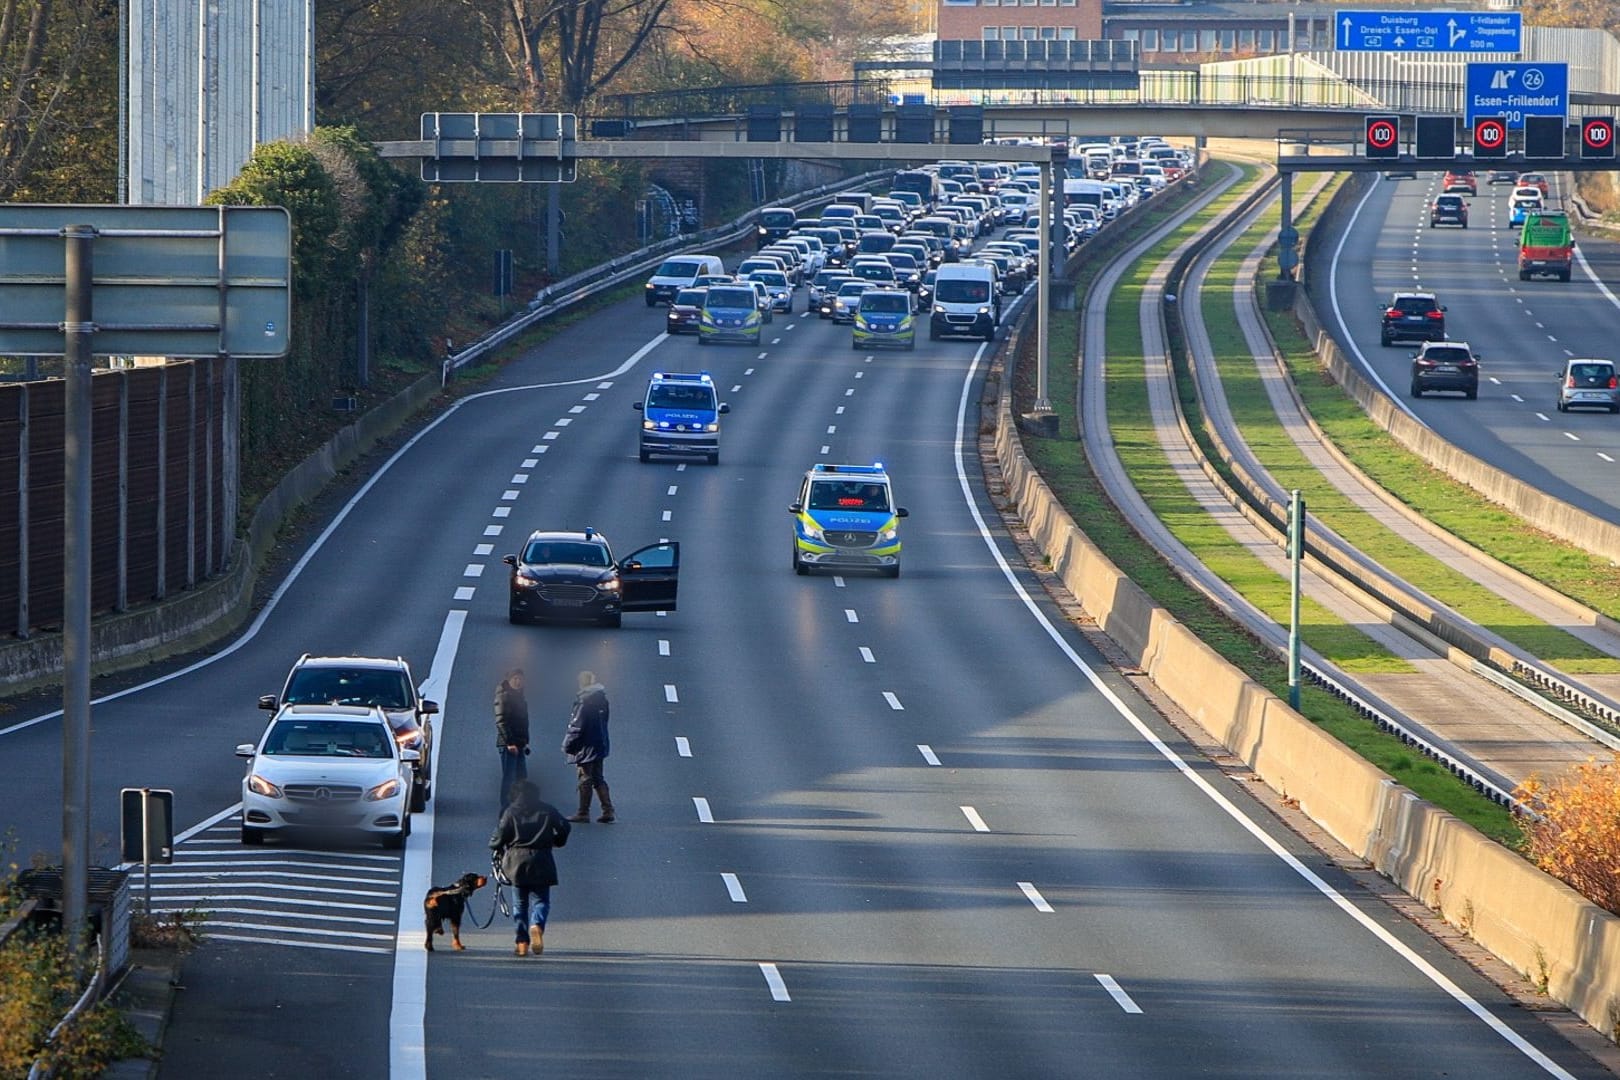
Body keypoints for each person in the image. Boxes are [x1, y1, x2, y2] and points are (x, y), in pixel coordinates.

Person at [489, 780, 569, 957]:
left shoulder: (510, 812)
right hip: (542, 859)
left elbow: (499, 836)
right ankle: (537, 925)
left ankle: (522, 942)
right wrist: (557, 841)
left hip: (516, 862)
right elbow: (565, 826)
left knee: (520, 904)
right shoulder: (547, 810)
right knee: (541, 901)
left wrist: (495, 845)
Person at [562, 670, 613, 823]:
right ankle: (608, 809)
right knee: (598, 777)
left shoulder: (584, 702)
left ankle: (583, 812)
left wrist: (567, 745)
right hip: (600, 743)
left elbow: (577, 726)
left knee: (585, 778)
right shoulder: (602, 699)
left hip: (585, 746)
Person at [494, 669, 530, 811]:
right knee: (509, 778)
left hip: (520, 743)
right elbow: (501, 722)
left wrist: (525, 740)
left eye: (520, 679)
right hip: (509, 744)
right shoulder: (504, 696)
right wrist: (509, 743)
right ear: (509, 680)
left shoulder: (519, 696)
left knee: (522, 776)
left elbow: (523, 721)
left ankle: (519, 805)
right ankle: (506, 808)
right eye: (515, 678)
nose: (518, 681)